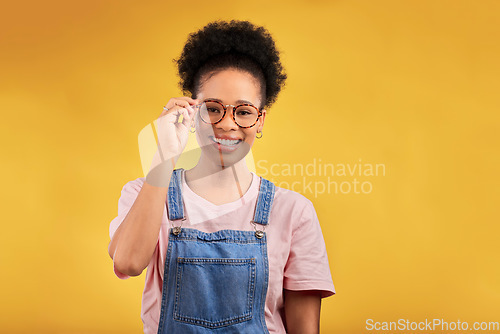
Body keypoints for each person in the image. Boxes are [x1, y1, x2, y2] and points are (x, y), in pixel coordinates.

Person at [108, 19, 335, 334]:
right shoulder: (144, 193)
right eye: (213, 108)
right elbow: (128, 263)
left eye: (243, 111)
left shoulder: (293, 211)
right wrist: (163, 156)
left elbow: (304, 329)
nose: (227, 124)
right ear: (191, 110)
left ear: (260, 121)